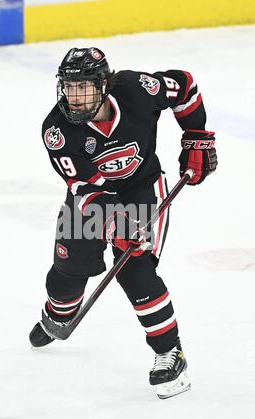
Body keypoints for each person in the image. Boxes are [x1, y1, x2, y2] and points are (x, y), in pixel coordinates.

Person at [29, 47, 217, 399]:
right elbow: (85, 189)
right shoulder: (57, 130)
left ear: (104, 84)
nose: (74, 95)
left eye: (83, 86)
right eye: (68, 87)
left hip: (142, 189)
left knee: (134, 267)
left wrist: (197, 136)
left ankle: (169, 352)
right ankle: (56, 314)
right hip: (92, 200)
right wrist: (118, 221)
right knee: (67, 281)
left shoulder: (136, 89)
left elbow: (184, 86)